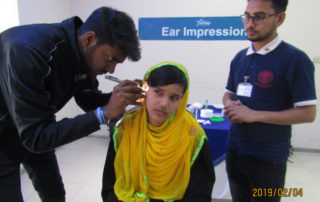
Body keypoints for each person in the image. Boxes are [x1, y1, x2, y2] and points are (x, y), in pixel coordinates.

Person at [0, 7, 144, 202]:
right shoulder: (29, 51)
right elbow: (34, 137)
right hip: (6, 134)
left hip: (38, 124)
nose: (111, 68)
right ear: (89, 39)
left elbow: (87, 99)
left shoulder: (84, 56)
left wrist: (121, 97)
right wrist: (104, 113)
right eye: (110, 59)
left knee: (55, 194)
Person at [222, 0, 317, 201]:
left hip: (268, 158)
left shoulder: (296, 59)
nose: (250, 23)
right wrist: (229, 104)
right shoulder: (240, 57)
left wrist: (254, 115)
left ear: (279, 19)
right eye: (247, 16)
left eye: (259, 17)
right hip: (235, 150)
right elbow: (228, 93)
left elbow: (308, 113)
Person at [101, 62, 215, 202]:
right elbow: (110, 185)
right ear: (146, 90)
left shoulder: (192, 135)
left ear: (182, 100)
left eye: (174, 98)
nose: (164, 103)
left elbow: (200, 193)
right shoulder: (126, 129)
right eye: (158, 92)